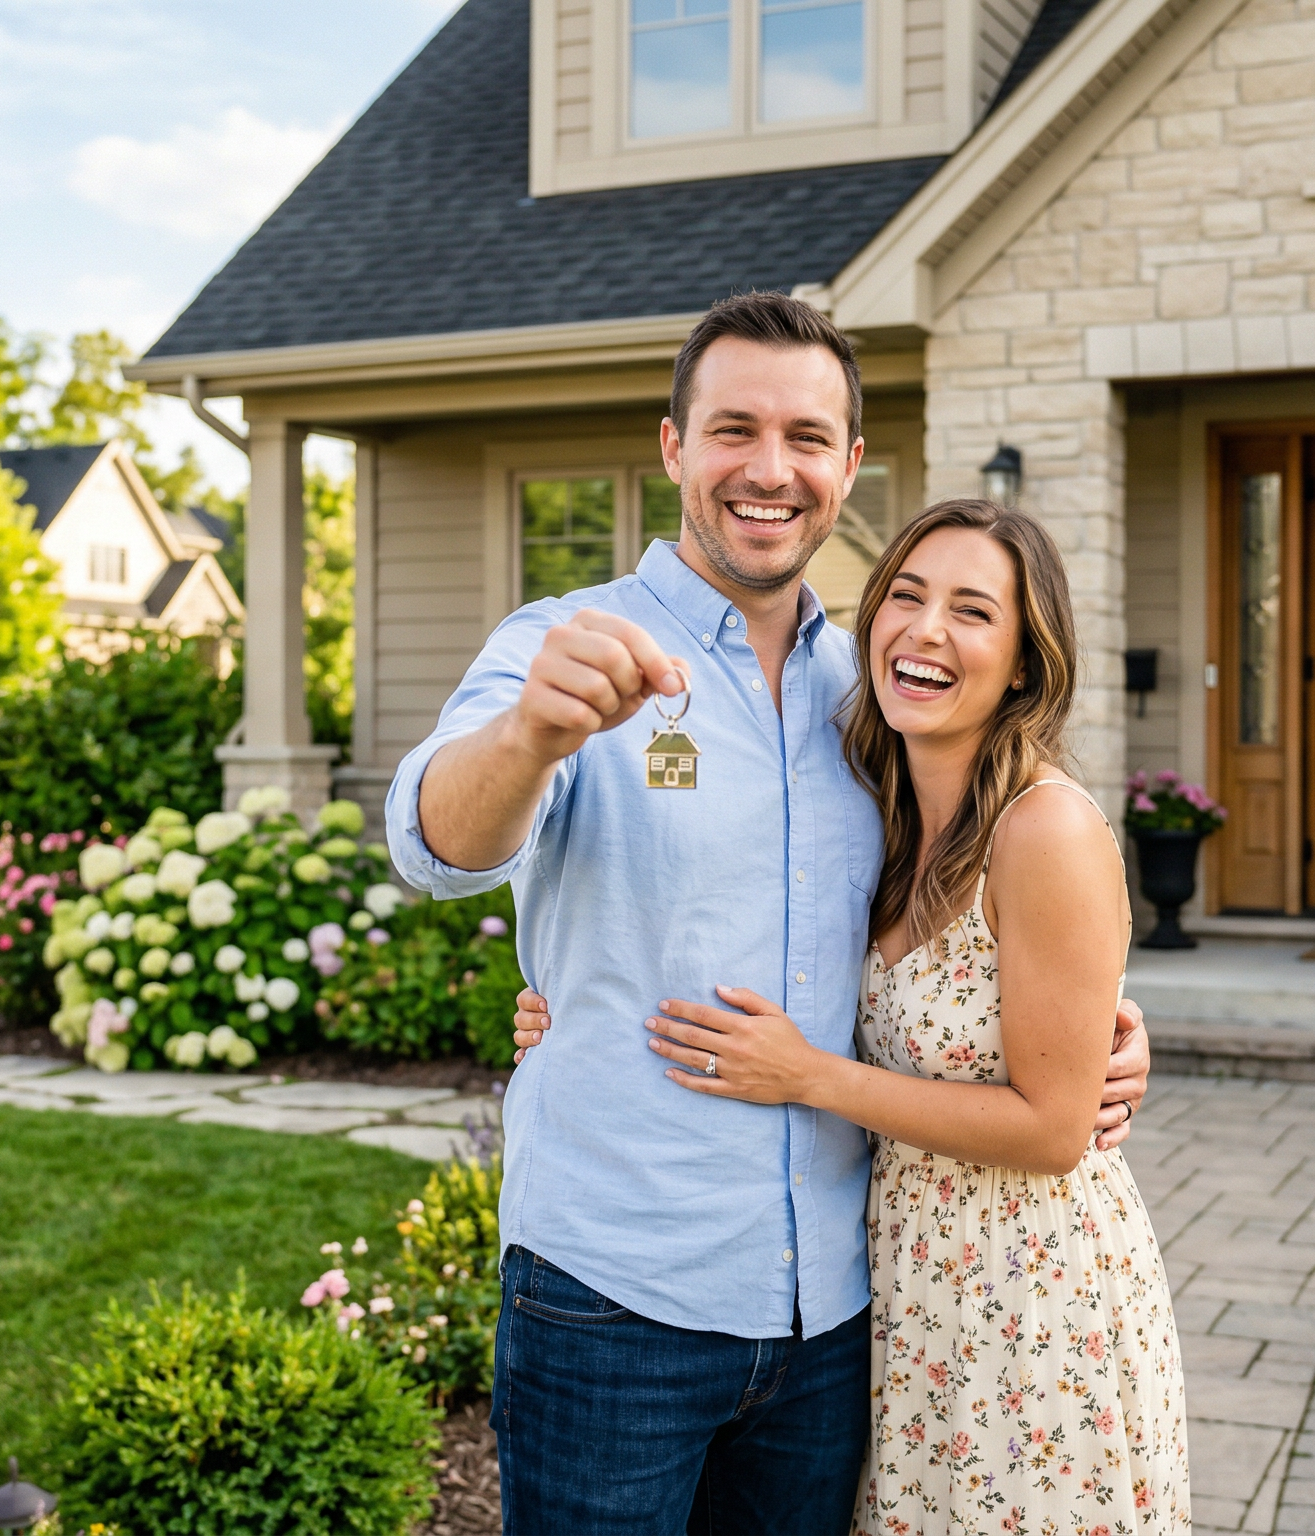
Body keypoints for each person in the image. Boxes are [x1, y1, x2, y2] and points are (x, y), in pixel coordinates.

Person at [383, 291, 1151, 1536]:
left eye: (806, 437)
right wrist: (530, 734)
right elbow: (434, 846)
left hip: (838, 1316)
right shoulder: (561, 646)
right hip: (614, 1298)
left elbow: (965, 895)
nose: (769, 468)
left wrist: (1099, 1021)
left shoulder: (876, 686)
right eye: (733, 428)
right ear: (675, 446)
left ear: (850, 466)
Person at [519, 499, 1190, 1534]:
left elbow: (1056, 1130)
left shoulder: (1043, 826)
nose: (924, 631)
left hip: (1028, 1304)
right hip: (909, 1298)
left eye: (972, 612)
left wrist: (808, 1076)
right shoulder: (879, 805)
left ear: (1022, 662)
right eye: (907, 597)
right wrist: (579, 1003)